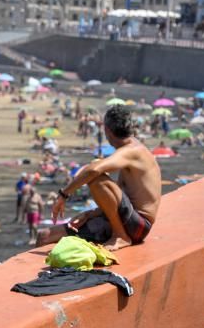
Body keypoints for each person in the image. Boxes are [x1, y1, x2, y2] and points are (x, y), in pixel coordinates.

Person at [39, 105, 162, 251]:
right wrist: (90, 214)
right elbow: (118, 199)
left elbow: (93, 170)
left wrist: (63, 195)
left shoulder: (133, 151)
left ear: (107, 131)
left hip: (137, 226)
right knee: (44, 236)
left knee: (96, 175)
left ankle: (120, 236)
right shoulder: (132, 148)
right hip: (127, 219)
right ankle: (118, 232)